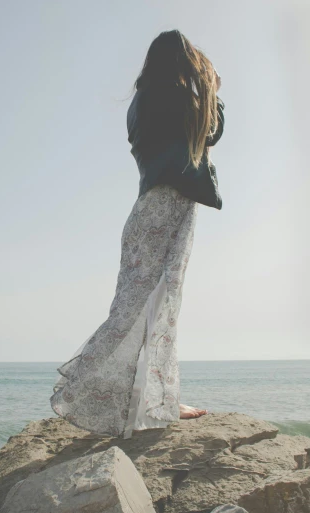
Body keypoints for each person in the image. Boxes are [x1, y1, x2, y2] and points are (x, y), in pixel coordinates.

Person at [50, 29, 225, 439]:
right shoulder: (177, 98)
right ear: (182, 62)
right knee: (157, 306)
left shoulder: (141, 102)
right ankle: (143, 398)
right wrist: (213, 91)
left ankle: (144, 397)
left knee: (134, 308)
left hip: (146, 211)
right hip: (167, 210)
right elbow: (210, 132)